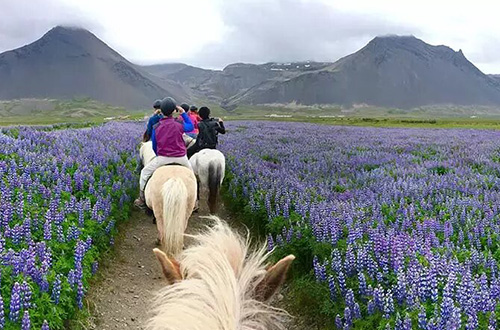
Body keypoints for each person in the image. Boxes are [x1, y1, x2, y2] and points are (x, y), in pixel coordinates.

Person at [134, 97, 194, 209]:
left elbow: (154, 146)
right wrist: (184, 114)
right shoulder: (179, 124)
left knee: (144, 173)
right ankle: (194, 201)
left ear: (161, 110)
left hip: (163, 158)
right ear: (174, 111)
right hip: (181, 158)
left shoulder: (156, 127)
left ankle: (142, 198)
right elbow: (190, 127)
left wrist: (159, 155)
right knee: (192, 177)